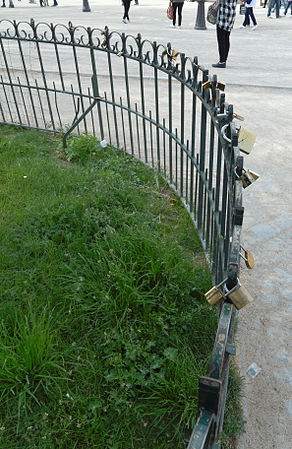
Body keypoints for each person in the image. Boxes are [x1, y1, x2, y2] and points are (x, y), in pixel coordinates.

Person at [212, 0, 237, 68]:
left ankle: (222, 61)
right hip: (231, 13)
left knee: (221, 39)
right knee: (226, 38)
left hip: (223, 14)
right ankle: (224, 60)